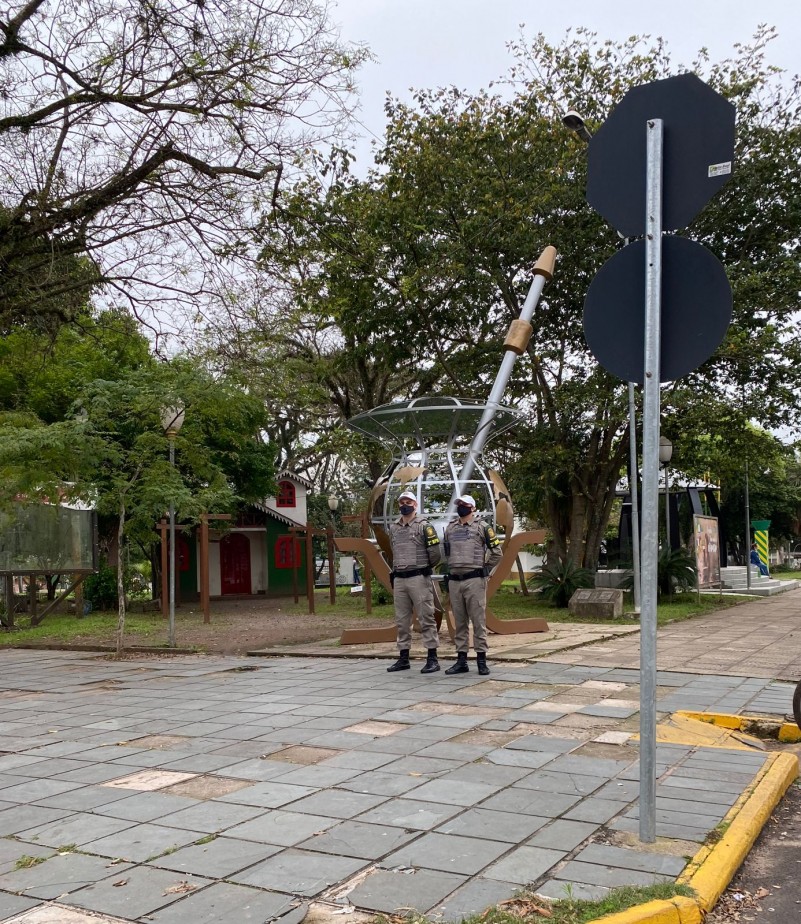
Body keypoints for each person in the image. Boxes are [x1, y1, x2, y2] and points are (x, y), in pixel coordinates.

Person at [442, 494, 502, 676]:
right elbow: (447, 554)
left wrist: (484, 569)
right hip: (455, 580)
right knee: (459, 622)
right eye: (459, 504)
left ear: (473, 508)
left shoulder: (482, 527)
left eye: (464, 504)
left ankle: (482, 661)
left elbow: (497, 553)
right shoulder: (450, 528)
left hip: (475, 580)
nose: (461, 506)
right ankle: (461, 660)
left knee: (478, 621)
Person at [386, 491, 442, 673]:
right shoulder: (394, 528)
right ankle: (403, 657)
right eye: (402, 502)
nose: (404, 504)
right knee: (402, 620)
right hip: (400, 578)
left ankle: (432, 658)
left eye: (408, 501)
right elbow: (392, 550)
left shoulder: (424, 526)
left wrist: (424, 567)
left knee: (426, 617)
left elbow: (435, 553)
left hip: (419, 577)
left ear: (415, 505)